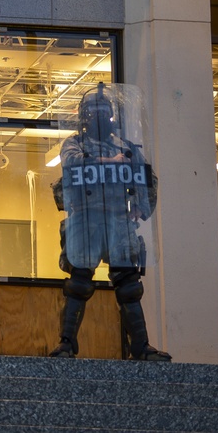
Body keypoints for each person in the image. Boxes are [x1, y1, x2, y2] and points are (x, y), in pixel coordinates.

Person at [49, 82, 170, 361]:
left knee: (129, 286)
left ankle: (140, 347)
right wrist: (112, 162)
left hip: (118, 221)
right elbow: (71, 164)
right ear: (83, 116)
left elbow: (147, 178)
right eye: (93, 111)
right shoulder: (75, 143)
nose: (100, 116)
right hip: (86, 219)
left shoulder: (126, 147)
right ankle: (66, 344)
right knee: (78, 284)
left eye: (104, 111)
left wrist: (141, 207)